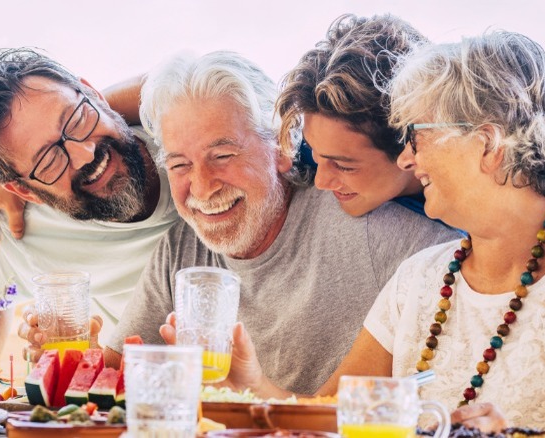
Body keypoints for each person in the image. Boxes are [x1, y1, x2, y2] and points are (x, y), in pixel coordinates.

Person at [218, 31, 545, 437]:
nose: (406, 158)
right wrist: (253, 386)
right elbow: (332, 420)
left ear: (487, 144)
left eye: (416, 136)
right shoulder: (418, 279)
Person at [95, 50, 460, 394]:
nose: (203, 189)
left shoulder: (376, 229)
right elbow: (109, 385)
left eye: (222, 155)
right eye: (179, 165)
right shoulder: (180, 250)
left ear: (283, 147)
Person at [0, 48, 180, 387]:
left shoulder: (179, 131)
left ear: (93, 95)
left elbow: (186, 82)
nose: (84, 154)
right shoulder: (27, 224)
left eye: (75, 119)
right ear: (25, 191)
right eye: (48, 161)